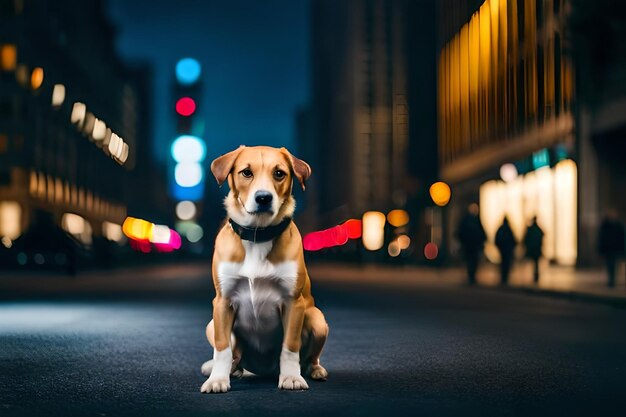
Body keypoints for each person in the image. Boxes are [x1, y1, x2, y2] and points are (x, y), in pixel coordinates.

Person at [456, 203, 486, 285]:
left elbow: (481, 233)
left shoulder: (474, 220)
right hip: (469, 245)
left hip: (473, 245)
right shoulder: (469, 221)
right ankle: (471, 276)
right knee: (471, 260)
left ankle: (472, 276)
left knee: (473, 261)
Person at [597, 209, 625, 288]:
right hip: (608, 249)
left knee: (615, 265)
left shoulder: (619, 225)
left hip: (616, 249)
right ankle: (611, 280)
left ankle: (613, 280)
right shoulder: (605, 225)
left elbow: (622, 238)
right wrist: (601, 249)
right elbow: (601, 238)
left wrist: (622, 250)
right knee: (609, 265)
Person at [495, 217, 516, 285]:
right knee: (506, 264)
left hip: (504, 250)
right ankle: (504, 278)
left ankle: (504, 278)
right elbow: (513, 240)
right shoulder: (508, 229)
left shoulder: (502, 229)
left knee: (504, 264)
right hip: (505, 250)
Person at [523, 217, 544, 284]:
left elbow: (526, 239)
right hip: (536, 249)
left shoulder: (532, 229)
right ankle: (536, 276)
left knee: (535, 263)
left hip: (534, 249)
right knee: (536, 263)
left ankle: (535, 276)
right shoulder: (537, 229)